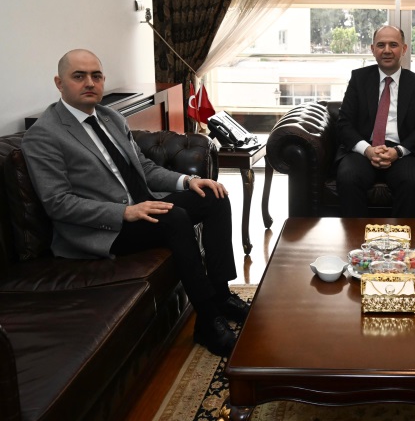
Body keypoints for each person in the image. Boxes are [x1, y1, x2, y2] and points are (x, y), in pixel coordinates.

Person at [22, 49, 249, 356]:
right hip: (104, 228)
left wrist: (188, 181)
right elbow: (58, 203)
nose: (89, 83)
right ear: (59, 83)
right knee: (175, 218)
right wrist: (125, 212)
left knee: (213, 195)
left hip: (142, 206)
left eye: (96, 76)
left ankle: (221, 295)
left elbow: (145, 168)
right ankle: (208, 321)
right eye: (79, 76)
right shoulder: (43, 135)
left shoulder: (111, 118)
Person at [335, 26, 415, 217]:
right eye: (381, 45)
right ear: (373, 49)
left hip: (404, 152)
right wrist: (367, 150)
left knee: (411, 180)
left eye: (393, 45)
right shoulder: (358, 79)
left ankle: (401, 236)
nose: (387, 50)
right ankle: (357, 235)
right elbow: (344, 123)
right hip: (363, 150)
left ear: (404, 49)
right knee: (348, 177)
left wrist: (398, 151)